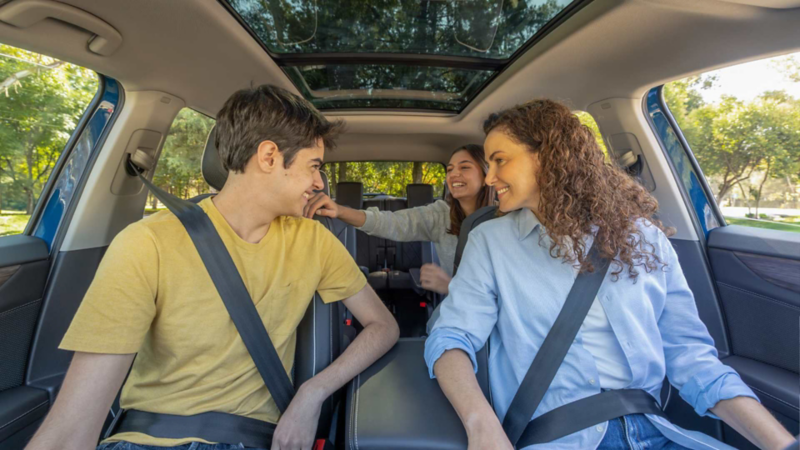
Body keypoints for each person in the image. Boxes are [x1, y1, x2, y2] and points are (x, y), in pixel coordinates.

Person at [26, 85, 399, 450]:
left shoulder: (314, 241)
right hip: (145, 439)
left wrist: (312, 393)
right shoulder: (146, 243)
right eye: (314, 167)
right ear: (269, 156)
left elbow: (383, 326)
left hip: (247, 437)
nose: (320, 183)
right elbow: (70, 429)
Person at [424, 99, 794, 449]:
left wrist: (782, 444)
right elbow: (451, 337)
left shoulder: (643, 237)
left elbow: (692, 358)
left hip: (657, 430)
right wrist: (482, 425)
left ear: (549, 157)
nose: (489, 179)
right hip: (558, 436)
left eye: (499, 161)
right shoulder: (490, 241)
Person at [304, 144, 496, 295]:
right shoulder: (440, 215)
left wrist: (450, 286)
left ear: (487, 173)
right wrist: (339, 210)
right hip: (456, 317)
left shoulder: (506, 219)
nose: (454, 174)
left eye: (465, 167)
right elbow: (390, 222)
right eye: (450, 169)